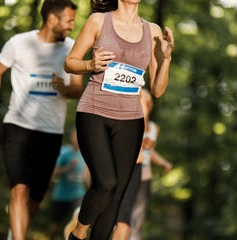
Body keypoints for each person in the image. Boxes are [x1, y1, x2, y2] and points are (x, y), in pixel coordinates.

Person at [64, 0, 174, 239]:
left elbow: (157, 89)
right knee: (106, 183)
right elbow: (70, 62)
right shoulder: (99, 21)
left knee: (116, 197)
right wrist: (89, 64)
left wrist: (166, 58)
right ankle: (78, 234)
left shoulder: (153, 31)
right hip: (94, 112)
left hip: (131, 120)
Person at [0, 0, 83, 239]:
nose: (72, 26)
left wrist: (64, 89)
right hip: (18, 125)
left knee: (36, 196)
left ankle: (15, 231)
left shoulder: (72, 49)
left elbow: (77, 90)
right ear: (52, 19)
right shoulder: (19, 43)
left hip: (50, 131)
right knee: (19, 188)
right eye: (68, 20)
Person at [112, 89, 172, 240]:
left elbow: (150, 152)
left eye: (145, 102)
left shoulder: (153, 128)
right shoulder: (126, 121)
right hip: (126, 171)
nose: (142, 104)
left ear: (150, 105)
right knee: (119, 214)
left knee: (137, 218)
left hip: (144, 177)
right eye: (139, 100)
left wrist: (163, 162)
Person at [49, 128, 89, 240]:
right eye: (75, 135)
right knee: (54, 227)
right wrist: (68, 167)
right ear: (71, 137)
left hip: (78, 195)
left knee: (77, 221)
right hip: (61, 195)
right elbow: (53, 173)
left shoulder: (86, 154)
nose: (77, 138)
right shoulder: (63, 151)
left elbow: (87, 176)